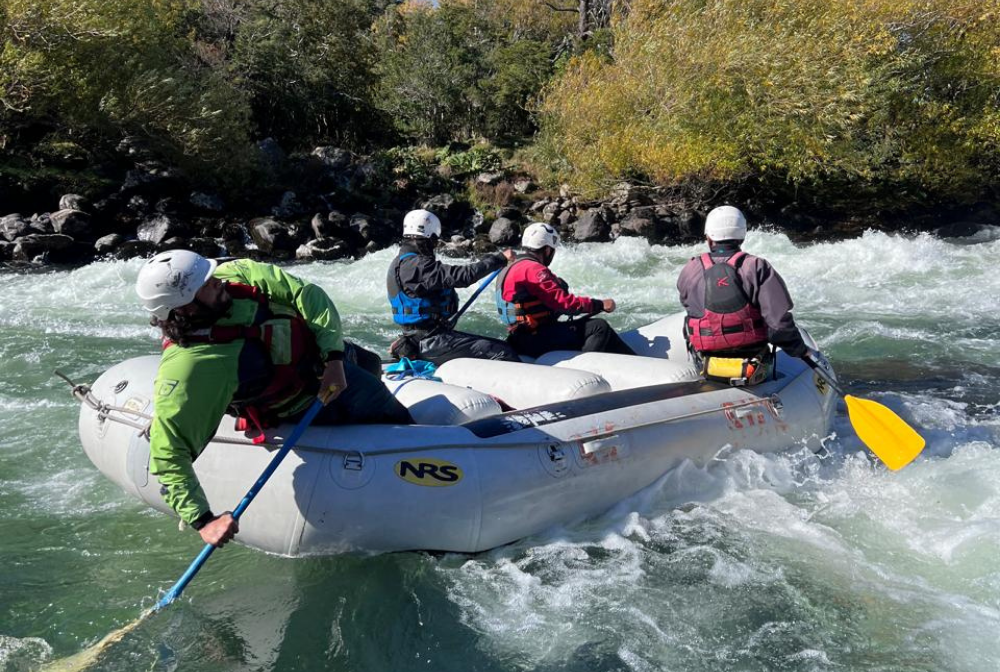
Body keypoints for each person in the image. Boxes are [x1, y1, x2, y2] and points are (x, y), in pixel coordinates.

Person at [136, 250, 413, 548]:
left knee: (370, 361)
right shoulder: (193, 365)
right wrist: (203, 520)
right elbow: (168, 450)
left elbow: (307, 294)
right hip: (303, 400)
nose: (216, 282)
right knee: (389, 410)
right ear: (184, 309)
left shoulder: (236, 273)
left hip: (321, 355)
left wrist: (333, 358)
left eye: (210, 275)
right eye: (204, 285)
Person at [676, 205, 809, 385]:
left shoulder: (690, 268)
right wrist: (800, 351)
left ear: (708, 237)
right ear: (742, 236)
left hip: (705, 363)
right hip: (752, 363)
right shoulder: (756, 267)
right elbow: (778, 326)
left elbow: (689, 307)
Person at [386, 209, 521, 365]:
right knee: (503, 352)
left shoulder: (401, 262)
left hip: (420, 337)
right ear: (427, 239)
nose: (435, 246)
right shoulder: (417, 266)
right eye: (434, 241)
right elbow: (464, 276)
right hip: (431, 341)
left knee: (495, 346)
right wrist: (499, 259)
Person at [496, 222, 636, 358]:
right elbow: (565, 304)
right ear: (547, 250)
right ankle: (586, 372)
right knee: (599, 327)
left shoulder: (511, 266)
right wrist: (599, 304)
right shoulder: (533, 269)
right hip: (534, 339)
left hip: (519, 337)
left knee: (590, 329)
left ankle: (634, 362)